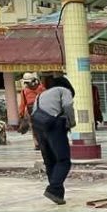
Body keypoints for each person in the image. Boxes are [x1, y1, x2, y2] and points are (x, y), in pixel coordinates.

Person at [31, 75, 76, 205]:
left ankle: (57, 194)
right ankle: (54, 188)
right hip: (54, 126)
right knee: (63, 160)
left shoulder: (41, 95)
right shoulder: (64, 90)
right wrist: (71, 122)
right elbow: (67, 105)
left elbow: (34, 112)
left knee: (50, 161)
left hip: (38, 126)